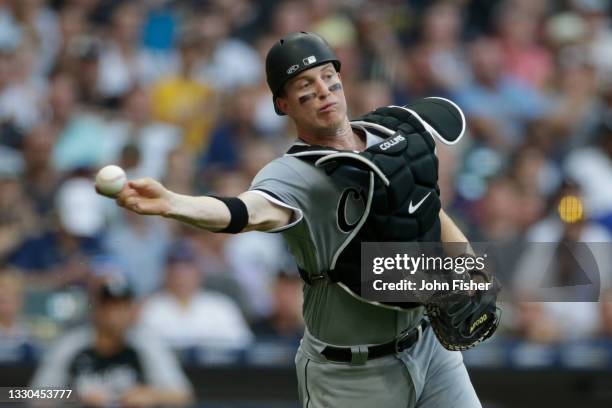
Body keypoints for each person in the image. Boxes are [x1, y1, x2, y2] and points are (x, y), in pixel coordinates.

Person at [104, 32, 492, 407]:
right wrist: (173, 202)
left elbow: (431, 211)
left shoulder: (392, 134)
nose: (322, 89)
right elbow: (243, 212)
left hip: (429, 348)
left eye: (327, 76)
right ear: (283, 104)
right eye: (304, 83)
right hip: (352, 375)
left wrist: (471, 270)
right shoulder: (292, 174)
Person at [30, 276, 193, 407]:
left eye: (121, 307)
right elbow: (31, 395)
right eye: (108, 306)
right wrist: (75, 396)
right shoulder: (71, 344)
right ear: (96, 309)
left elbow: (184, 396)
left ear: (131, 310)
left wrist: (151, 395)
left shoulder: (145, 344)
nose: (114, 314)